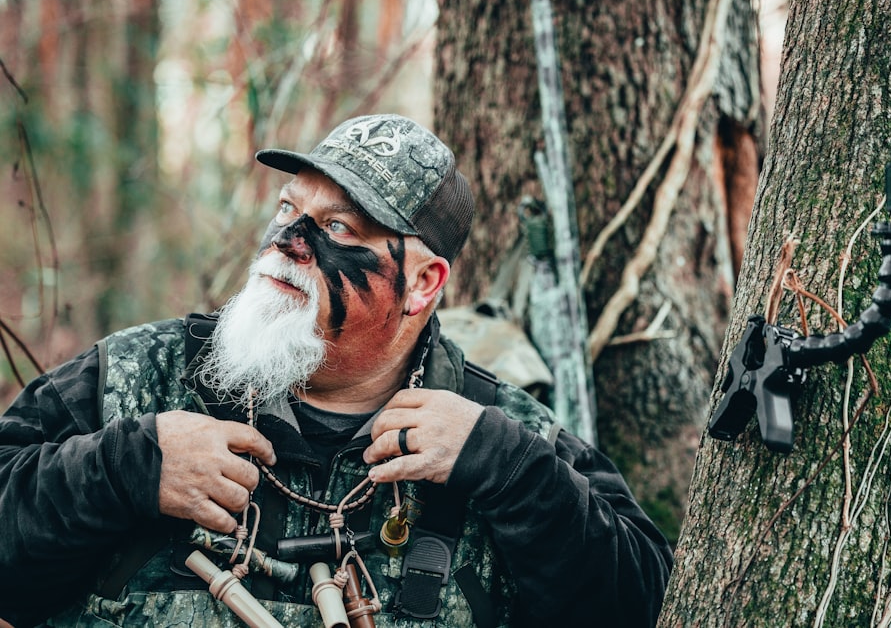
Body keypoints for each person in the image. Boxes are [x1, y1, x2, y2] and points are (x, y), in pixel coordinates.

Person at [0, 114, 672, 627]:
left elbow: (643, 600)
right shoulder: (140, 374)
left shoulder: (500, 436)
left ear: (422, 283)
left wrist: (508, 467)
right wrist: (125, 469)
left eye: (339, 228)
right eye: (289, 210)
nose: (287, 241)